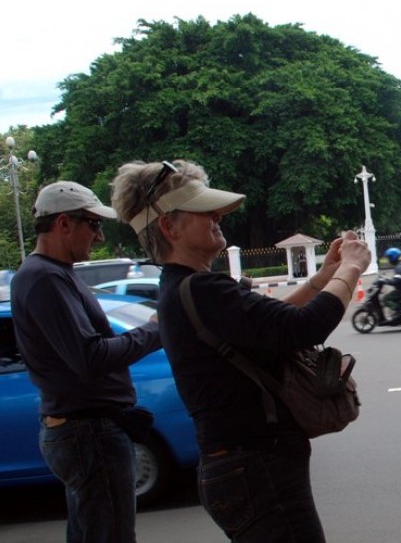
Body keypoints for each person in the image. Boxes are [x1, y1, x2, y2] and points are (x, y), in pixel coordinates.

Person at [110, 159, 371, 543]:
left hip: (246, 468)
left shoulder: (187, 287)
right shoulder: (200, 290)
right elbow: (304, 328)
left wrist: (325, 275)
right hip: (256, 467)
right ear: (169, 226)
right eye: (203, 211)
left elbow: (275, 323)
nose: (217, 216)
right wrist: (351, 268)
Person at [10, 181, 162, 543]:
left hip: (86, 430)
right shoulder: (45, 278)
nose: (98, 237)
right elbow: (91, 356)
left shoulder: (50, 274)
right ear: (63, 223)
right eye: (93, 225)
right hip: (89, 433)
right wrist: (156, 331)